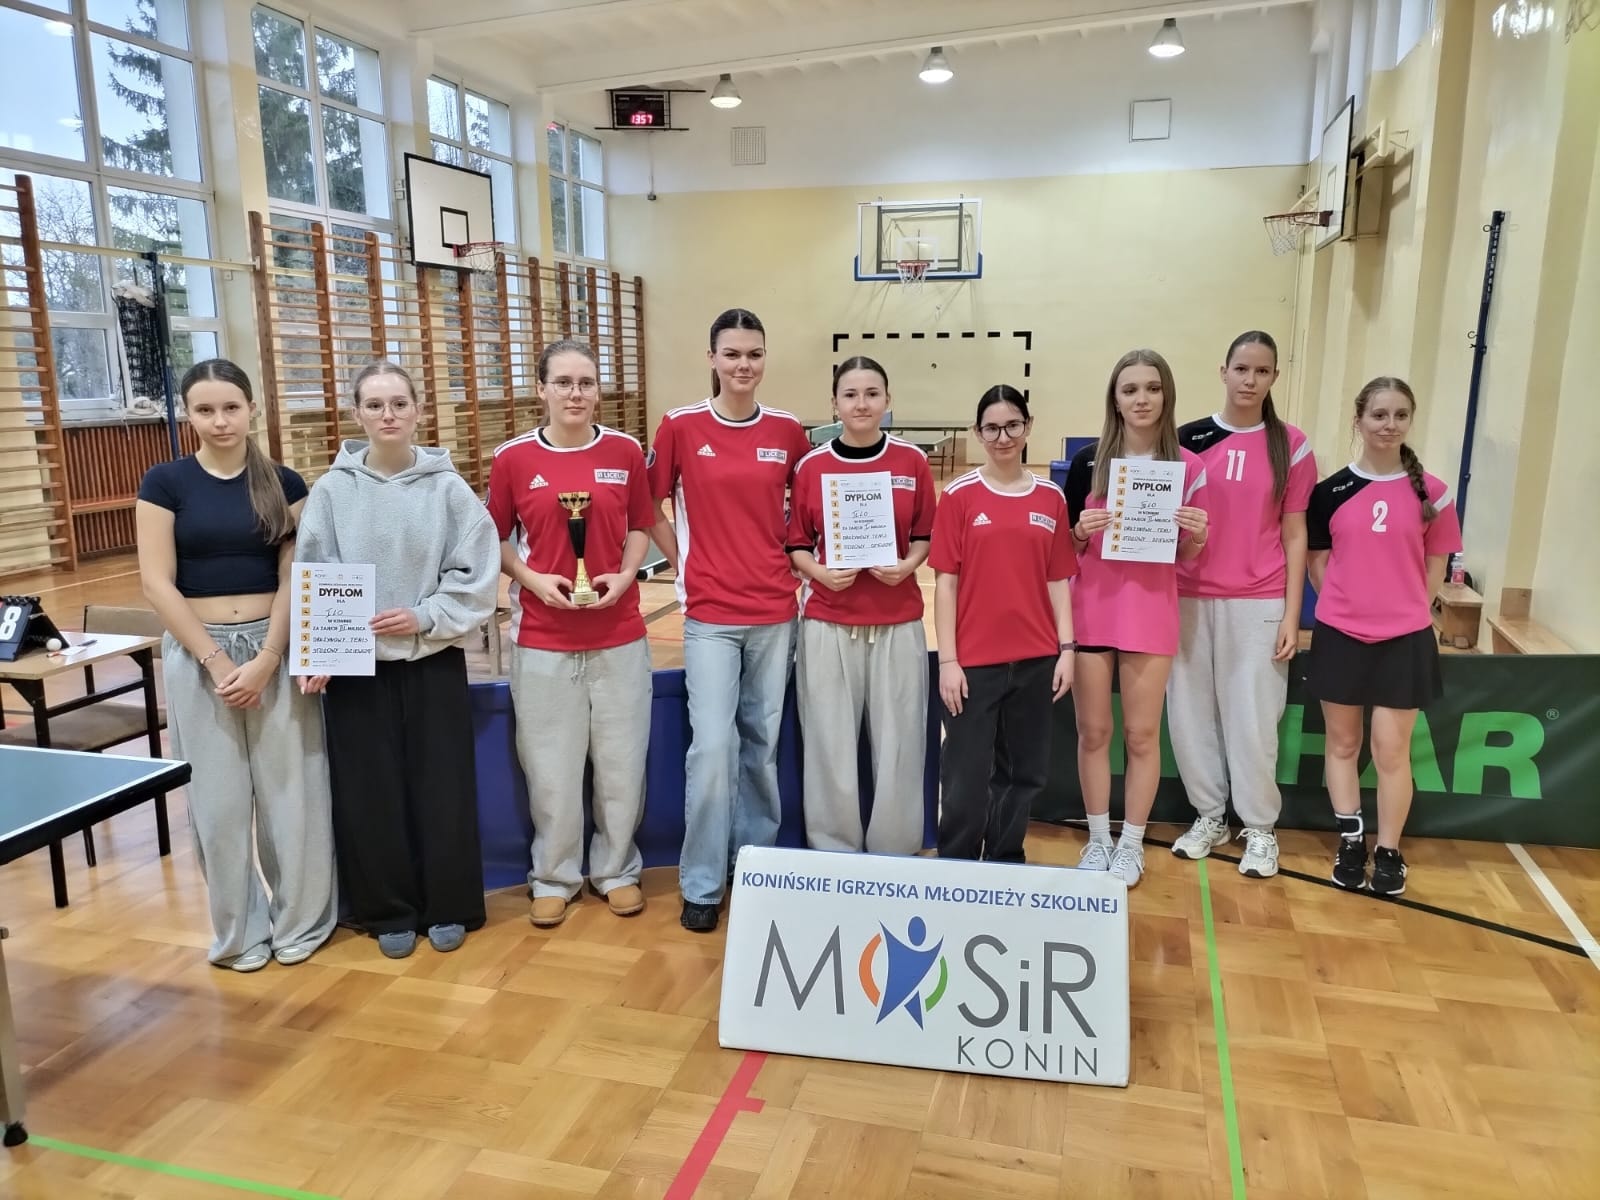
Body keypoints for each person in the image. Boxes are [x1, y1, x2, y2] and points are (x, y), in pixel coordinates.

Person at [135, 359, 336, 972]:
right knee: (218, 803)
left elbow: (295, 576)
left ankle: (301, 922)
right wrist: (217, 659)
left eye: (230, 407)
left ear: (252, 409)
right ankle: (240, 935)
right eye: (205, 410)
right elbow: (156, 582)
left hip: (275, 646)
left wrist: (269, 657)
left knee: (293, 795)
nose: (219, 420)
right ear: (187, 414)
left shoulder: (285, 482)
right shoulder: (165, 483)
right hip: (200, 655)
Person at [294, 361, 499, 958]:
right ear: (356, 414)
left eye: (399, 403)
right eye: (375, 404)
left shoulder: (449, 490)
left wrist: (425, 616)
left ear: (418, 411)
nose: (388, 415)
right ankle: (388, 910)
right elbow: (315, 574)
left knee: (443, 787)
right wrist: (322, 648)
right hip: (357, 670)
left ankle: (450, 904)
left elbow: (476, 575)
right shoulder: (332, 492)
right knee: (370, 790)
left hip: (431, 660)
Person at [648, 308, 811, 932]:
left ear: (765, 359)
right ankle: (702, 881)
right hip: (710, 615)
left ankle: (755, 867)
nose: (744, 364)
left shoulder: (788, 431)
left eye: (754, 354)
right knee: (713, 747)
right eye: (733, 354)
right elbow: (647, 504)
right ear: (712, 358)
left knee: (761, 748)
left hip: (775, 610)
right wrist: (682, 559)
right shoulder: (681, 426)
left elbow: (809, 511)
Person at [488, 340, 656, 928]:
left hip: (620, 633)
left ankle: (617, 871)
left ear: (597, 390)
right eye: (563, 382)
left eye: (586, 382)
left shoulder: (624, 451)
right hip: (543, 639)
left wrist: (627, 574)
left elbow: (641, 524)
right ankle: (554, 876)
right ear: (541, 389)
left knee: (621, 763)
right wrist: (532, 580)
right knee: (550, 768)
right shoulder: (512, 459)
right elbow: (497, 539)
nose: (575, 393)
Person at [1167, 330, 1317, 879]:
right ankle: (1210, 816)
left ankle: (1259, 828)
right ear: (1223, 371)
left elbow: (1295, 533)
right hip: (1187, 597)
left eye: (1262, 371)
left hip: (1259, 601)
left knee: (1253, 720)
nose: (1250, 380)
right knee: (1190, 716)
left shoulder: (1292, 445)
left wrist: (1293, 613)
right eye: (1242, 369)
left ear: (1274, 377)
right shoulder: (1187, 440)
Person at [1306, 377, 1459, 896]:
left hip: (1404, 640)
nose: (1389, 425)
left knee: (1392, 751)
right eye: (1378, 415)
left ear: (1410, 421)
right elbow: (1319, 564)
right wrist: (1346, 606)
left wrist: (1404, 611)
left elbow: (1435, 568)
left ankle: (1389, 851)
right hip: (1340, 635)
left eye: (1399, 415)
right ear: (1359, 420)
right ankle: (1351, 842)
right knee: (1343, 744)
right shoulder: (1329, 492)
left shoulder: (1433, 492)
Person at [1063, 350, 1208, 887]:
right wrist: (1080, 532)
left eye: (1152, 388)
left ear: (1166, 395)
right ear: (1115, 399)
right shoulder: (1088, 462)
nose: (1142, 399)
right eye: (1130, 390)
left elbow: (1187, 557)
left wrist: (1198, 537)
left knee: (1142, 735)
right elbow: (1064, 550)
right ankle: (1099, 839)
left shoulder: (1189, 467)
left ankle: (1130, 844)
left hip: (1150, 611)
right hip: (1092, 608)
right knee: (1093, 732)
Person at [787, 356, 936, 855]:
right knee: (829, 743)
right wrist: (819, 573)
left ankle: (895, 849)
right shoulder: (811, 467)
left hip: (897, 621)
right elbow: (796, 544)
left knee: (900, 745)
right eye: (850, 395)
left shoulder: (911, 462)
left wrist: (908, 565)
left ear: (888, 400)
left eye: (872, 394)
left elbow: (924, 534)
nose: (861, 404)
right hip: (829, 622)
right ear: (834, 404)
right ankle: (834, 849)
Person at [930, 385, 1077, 862]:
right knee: (965, 776)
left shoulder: (1051, 497)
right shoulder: (959, 496)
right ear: (977, 433)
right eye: (991, 428)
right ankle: (957, 864)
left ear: (1028, 426)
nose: (1003, 437)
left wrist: (1067, 650)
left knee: (1023, 775)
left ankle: (1004, 860)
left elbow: (1058, 580)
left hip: (1036, 661)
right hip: (973, 664)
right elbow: (946, 584)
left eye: (1012, 425)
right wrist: (948, 661)